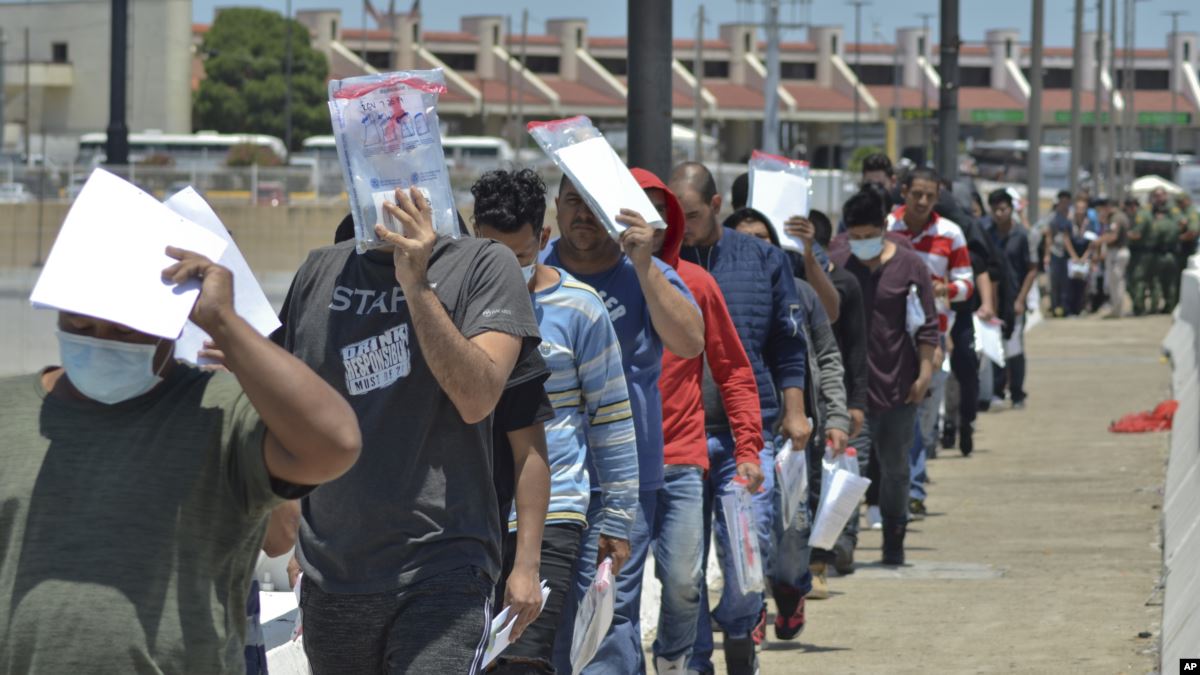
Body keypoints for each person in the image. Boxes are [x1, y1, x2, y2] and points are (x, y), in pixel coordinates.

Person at [0, 247, 362, 672]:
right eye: (80, 325)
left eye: (123, 330)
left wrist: (226, 326)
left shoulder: (221, 411)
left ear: (169, 326)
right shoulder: (11, 412)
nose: (101, 340)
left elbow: (335, 444)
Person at [277, 187, 542, 674]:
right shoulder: (318, 271)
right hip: (332, 572)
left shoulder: (484, 265)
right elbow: (289, 416)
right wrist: (293, 530)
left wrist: (417, 285)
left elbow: (478, 399)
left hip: (442, 568)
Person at [472, 169, 641, 674]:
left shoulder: (582, 310)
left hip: (556, 512)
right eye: (488, 254)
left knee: (526, 659)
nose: (502, 271)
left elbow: (611, 418)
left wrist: (617, 518)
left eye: (518, 258)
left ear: (543, 239)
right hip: (472, 514)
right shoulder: (457, 305)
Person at [544, 176, 705, 675]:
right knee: (550, 614)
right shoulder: (535, 270)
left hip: (625, 479)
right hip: (544, 476)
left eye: (593, 206)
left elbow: (690, 341)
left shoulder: (647, 273)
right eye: (573, 202)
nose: (583, 216)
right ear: (556, 207)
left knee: (609, 611)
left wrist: (642, 266)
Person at [672, 161, 810, 675]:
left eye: (689, 215)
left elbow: (787, 345)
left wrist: (795, 413)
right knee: (682, 569)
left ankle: (738, 626)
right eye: (673, 217)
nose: (680, 227)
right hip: (681, 436)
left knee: (745, 555)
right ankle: (700, 660)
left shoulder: (764, 260)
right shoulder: (658, 263)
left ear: (715, 207)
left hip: (746, 437)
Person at [635, 168, 765, 673]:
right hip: (614, 464)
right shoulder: (586, 283)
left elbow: (733, 371)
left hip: (681, 459)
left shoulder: (696, 284)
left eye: (657, 215)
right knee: (616, 591)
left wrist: (749, 448)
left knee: (685, 582)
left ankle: (672, 662)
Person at [731, 209, 851, 611]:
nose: (754, 246)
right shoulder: (719, 291)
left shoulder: (801, 292)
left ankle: (789, 587)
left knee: (792, 531)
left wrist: (835, 417)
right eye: (743, 238)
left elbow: (829, 357)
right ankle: (750, 609)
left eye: (762, 237)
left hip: (793, 435)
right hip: (742, 430)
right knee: (749, 524)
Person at [829, 187, 938, 565]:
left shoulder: (910, 266)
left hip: (899, 387)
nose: (860, 245)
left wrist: (924, 375)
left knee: (894, 469)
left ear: (884, 229)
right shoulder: (838, 262)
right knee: (848, 469)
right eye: (854, 237)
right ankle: (843, 542)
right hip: (851, 390)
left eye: (868, 237)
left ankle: (894, 535)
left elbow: (927, 326)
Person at [983, 189, 1038, 409]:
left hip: (1015, 299)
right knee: (995, 346)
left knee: (1014, 348)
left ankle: (1017, 393)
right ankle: (997, 390)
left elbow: (1032, 270)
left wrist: (1021, 299)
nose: (999, 213)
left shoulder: (1023, 235)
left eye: (1003, 208)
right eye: (995, 209)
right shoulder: (987, 233)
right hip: (994, 300)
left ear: (1011, 209)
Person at [1063, 197, 1096, 317]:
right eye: (1078, 208)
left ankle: (1080, 308)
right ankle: (1069, 309)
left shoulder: (1089, 224)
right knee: (1070, 284)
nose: (1080, 211)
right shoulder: (1069, 223)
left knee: (1083, 285)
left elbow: (1092, 242)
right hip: (1072, 258)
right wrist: (1074, 256)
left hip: (1084, 258)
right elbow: (1066, 239)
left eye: (1082, 208)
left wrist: (1084, 257)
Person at [1047, 190, 1075, 317]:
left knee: (1067, 283)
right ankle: (1055, 307)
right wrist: (1047, 254)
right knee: (1055, 282)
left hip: (1069, 255)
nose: (1065, 204)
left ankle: (1065, 307)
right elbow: (1049, 236)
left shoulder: (1072, 216)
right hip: (1056, 253)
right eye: (1062, 201)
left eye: (1067, 201)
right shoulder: (1054, 217)